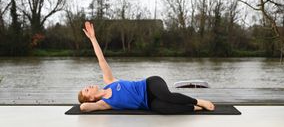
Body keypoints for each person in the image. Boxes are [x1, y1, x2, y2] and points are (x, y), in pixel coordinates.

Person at [78, 21, 215, 114]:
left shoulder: (109, 81)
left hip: (149, 84)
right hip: (148, 103)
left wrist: (92, 39)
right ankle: (193, 107)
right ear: (90, 98)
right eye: (87, 90)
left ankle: (199, 101)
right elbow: (84, 107)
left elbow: (101, 59)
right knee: (164, 109)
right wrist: (87, 101)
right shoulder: (105, 104)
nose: (88, 86)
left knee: (166, 95)